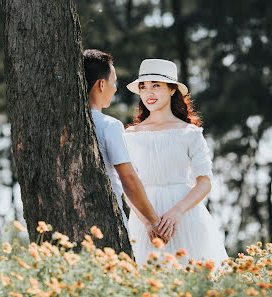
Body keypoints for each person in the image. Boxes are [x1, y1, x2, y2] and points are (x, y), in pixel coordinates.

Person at [125, 58, 228, 265]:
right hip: (143, 218)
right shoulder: (130, 135)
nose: (149, 93)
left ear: (172, 90)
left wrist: (177, 211)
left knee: (190, 276)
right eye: (143, 87)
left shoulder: (189, 133)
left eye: (156, 85)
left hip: (185, 217)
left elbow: (205, 181)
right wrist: (147, 222)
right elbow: (127, 185)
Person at [83, 49, 164, 241]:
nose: (116, 88)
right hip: (107, 218)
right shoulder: (109, 126)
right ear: (101, 84)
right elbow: (128, 179)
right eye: (114, 81)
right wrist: (154, 223)